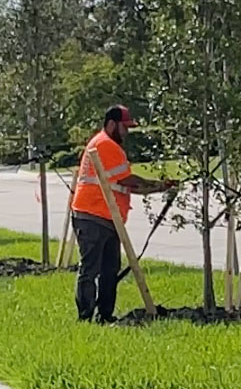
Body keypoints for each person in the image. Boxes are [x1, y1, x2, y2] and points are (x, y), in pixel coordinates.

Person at [71, 105, 173, 323]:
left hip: (107, 216)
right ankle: (86, 316)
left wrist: (159, 188)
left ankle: (104, 316)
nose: (126, 132)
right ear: (111, 124)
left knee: (109, 270)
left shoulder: (107, 145)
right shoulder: (105, 144)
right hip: (93, 214)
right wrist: (157, 185)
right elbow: (128, 180)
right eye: (124, 127)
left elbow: (123, 185)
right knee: (91, 269)